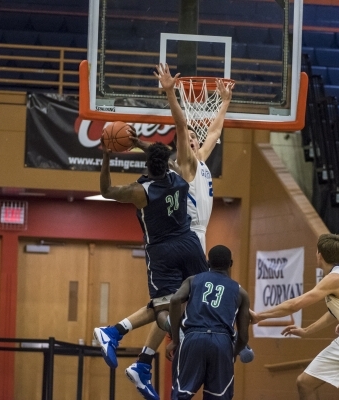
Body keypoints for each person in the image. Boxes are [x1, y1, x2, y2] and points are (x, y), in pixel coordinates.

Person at [124, 64, 248, 400]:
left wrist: (223, 102)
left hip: (197, 234)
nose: (194, 137)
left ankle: (149, 356)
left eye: (195, 138)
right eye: (188, 139)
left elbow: (215, 133)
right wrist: (170, 94)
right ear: (181, 149)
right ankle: (159, 347)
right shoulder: (187, 164)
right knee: (191, 302)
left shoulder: (202, 158)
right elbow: (181, 125)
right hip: (188, 234)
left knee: (183, 301)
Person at [93, 141, 208, 400]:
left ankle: (128, 335)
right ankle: (141, 358)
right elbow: (162, 158)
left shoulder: (140, 191)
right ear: (165, 161)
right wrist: (139, 144)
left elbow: (106, 190)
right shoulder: (180, 177)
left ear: (146, 165)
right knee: (203, 292)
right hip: (188, 243)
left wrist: (107, 158)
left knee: (162, 309)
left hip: (162, 251)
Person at [251, 234, 339, 400]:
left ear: (319, 254)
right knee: (304, 382)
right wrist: (306, 331)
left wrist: (259, 316)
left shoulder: (336, 278)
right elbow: (334, 313)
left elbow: (294, 305)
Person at [165, 245, 250, 400]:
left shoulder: (193, 280)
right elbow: (243, 337)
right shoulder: (241, 292)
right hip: (222, 342)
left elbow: (176, 299)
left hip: (193, 338)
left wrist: (176, 340)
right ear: (231, 263)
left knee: (181, 394)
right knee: (218, 396)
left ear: (208, 263)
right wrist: (233, 353)